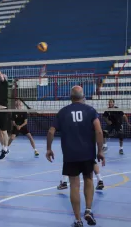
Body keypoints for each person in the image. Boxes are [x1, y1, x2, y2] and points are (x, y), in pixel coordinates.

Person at [46, 86, 105, 227]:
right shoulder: (90, 111)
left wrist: (49, 149)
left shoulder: (63, 112)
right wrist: (100, 151)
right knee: (89, 179)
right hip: (87, 153)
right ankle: (89, 211)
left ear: (71, 97)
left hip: (70, 155)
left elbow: (50, 131)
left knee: (74, 185)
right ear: (83, 96)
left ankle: (78, 220)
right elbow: (99, 131)